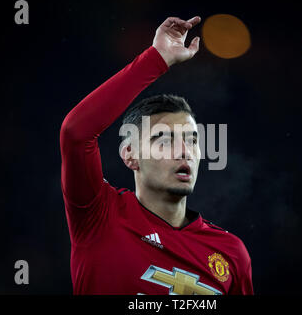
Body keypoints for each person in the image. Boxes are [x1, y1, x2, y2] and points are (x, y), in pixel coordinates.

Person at [60, 16, 254, 295]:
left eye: (192, 140)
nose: (184, 150)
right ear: (130, 155)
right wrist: (157, 58)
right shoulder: (99, 217)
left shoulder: (231, 253)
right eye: (164, 140)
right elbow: (76, 133)